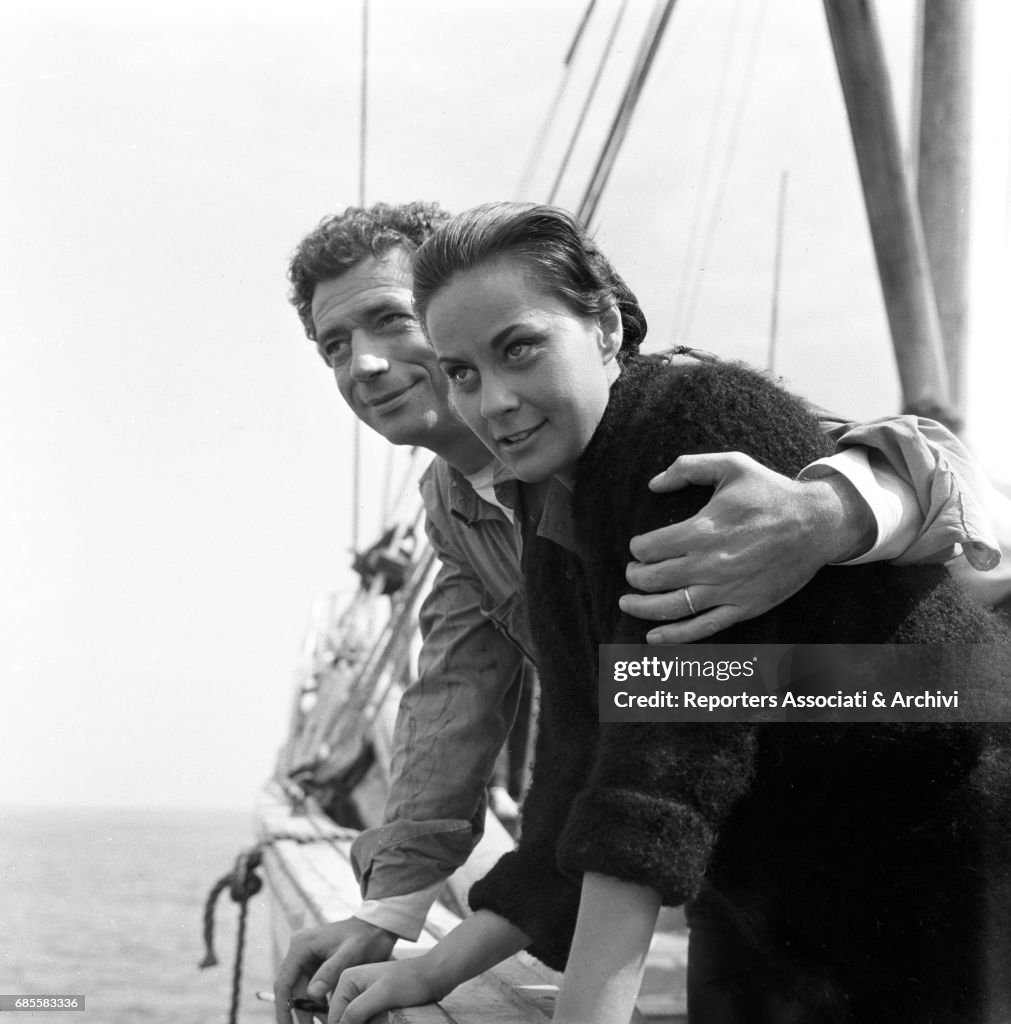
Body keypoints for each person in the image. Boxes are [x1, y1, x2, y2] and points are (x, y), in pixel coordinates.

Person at [274, 202, 1010, 1022]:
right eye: (466, 372)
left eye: (518, 348)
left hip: (949, 824)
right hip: (765, 875)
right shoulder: (515, 511)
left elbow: (661, 751)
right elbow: (523, 727)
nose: (366, 365)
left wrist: (831, 508)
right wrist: (416, 949)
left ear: (605, 327)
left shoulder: (688, 428)